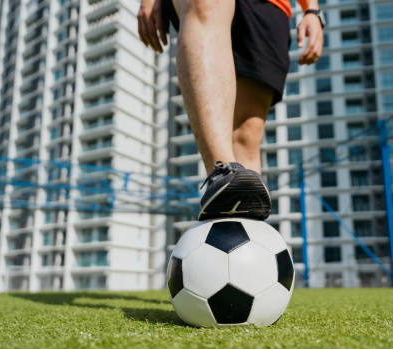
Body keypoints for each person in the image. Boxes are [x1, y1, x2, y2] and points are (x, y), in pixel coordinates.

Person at [137, 0, 325, 221]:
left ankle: (246, 242)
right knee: (205, 4)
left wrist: (312, 10)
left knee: (246, 136)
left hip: (271, 6)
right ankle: (222, 173)